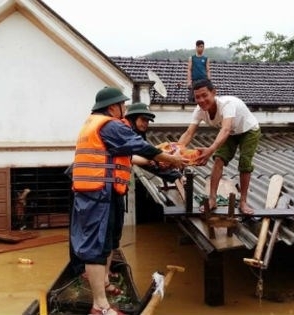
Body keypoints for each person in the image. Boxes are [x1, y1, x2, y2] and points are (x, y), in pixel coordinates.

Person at [71, 87, 187, 315]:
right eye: (122, 105)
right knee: (95, 247)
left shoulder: (94, 124)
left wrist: (166, 167)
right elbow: (142, 148)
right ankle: (100, 306)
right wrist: (170, 159)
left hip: (98, 192)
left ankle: (103, 287)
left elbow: (134, 156)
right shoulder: (110, 125)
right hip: (97, 192)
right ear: (113, 107)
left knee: (103, 244)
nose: (124, 110)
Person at [177, 79, 260, 214]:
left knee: (244, 162)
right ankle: (212, 199)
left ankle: (244, 201)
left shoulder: (227, 104)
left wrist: (210, 149)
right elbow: (188, 133)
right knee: (218, 159)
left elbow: (226, 129)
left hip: (248, 130)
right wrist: (176, 151)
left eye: (205, 95)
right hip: (231, 132)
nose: (202, 100)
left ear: (214, 93)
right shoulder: (199, 111)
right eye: (197, 97)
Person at [124, 102, 183, 183]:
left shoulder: (138, 134)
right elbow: (130, 157)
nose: (146, 123)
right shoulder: (124, 131)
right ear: (133, 118)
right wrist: (151, 160)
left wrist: (176, 175)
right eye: (143, 119)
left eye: (148, 121)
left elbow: (148, 156)